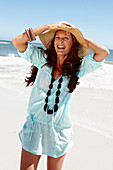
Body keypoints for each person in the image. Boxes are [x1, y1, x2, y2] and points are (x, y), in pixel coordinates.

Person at [12, 21, 109, 170]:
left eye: (66, 38)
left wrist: (80, 37)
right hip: (34, 127)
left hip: (58, 131)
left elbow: (103, 53)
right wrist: (48, 27)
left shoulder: (78, 69)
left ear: (73, 44)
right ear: (53, 41)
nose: (61, 41)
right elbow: (17, 41)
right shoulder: (41, 60)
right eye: (57, 37)